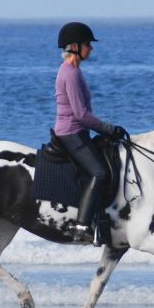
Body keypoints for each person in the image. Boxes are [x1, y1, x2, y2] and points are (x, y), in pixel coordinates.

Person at [54, 21, 127, 245]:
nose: (91, 48)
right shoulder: (70, 74)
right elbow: (81, 114)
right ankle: (82, 225)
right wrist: (109, 128)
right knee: (100, 173)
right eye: (87, 44)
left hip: (79, 131)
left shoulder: (75, 71)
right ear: (74, 46)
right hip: (71, 132)